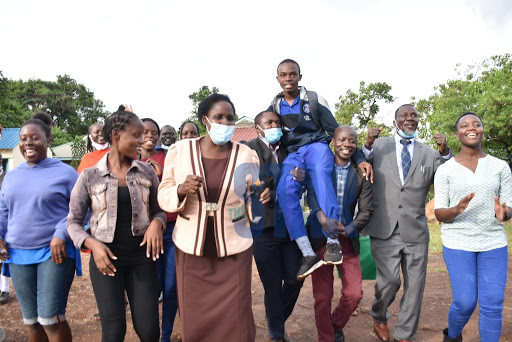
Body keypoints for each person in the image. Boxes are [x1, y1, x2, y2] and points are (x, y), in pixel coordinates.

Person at [158, 93, 268, 342]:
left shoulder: (246, 154)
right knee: (195, 321)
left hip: (234, 248)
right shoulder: (180, 151)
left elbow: (252, 196)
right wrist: (180, 190)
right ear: (205, 120)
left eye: (230, 118)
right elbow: (164, 192)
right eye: (219, 117)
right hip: (190, 248)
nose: (225, 123)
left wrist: (259, 199)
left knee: (237, 319)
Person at [67, 106, 166, 342]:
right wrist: (92, 244)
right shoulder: (89, 176)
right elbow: (73, 222)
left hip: (142, 259)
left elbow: (159, 210)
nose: (142, 141)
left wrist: (156, 224)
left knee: (149, 330)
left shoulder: (147, 173)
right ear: (117, 134)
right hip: (105, 262)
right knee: (113, 332)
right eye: (137, 135)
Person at [269, 59, 371, 279]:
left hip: (316, 146)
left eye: (293, 74)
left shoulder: (313, 100)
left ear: (299, 77)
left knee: (321, 179)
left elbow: (337, 131)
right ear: (278, 79)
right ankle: (307, 252)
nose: (288, 78)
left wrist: (360, 158)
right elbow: (270, 133)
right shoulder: (275, 105)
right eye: (284, 75)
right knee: (285, 191)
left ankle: (333, 242)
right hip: (294, 154)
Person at [362, 104, 451, 342]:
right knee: (389, 281)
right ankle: (379, 315)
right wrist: (368, 143)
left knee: (415, 288)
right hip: (385, 227)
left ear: (418, 122)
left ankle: (404, 334)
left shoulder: (430, 153)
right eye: (404, 116)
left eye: (414, 116)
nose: (409, 119)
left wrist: (444, 152)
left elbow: (446, 175)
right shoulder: (380, 146)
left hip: (416, 230)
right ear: (395, 122)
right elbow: (357, 161)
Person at [0, 113, 79, 342]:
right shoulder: (12, 176)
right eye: (24, 139)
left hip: (53, 251)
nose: (28, 143)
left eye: (34, 138)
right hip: (17, 252)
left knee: (50, 317)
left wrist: (61, 233)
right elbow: (4, 211)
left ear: (48, 141)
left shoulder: (66, 173)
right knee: (31, 320)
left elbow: (80, 210)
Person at [434, 112, 512, 342]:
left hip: (493, 242)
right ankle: (453, 337)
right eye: (465, 125)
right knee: (465, 302)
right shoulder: (445, 170)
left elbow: (508, 208)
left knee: (493, 304)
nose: (472, 128)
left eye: (476, 124)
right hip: (458, 241)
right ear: (457, 134)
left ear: (482, 131)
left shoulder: (500, 166)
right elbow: (439, 213)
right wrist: (456, 209)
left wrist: (504, 213)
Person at [307, 126, 373, 342]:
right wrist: (322, 219)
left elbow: (366, 210)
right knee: (323, 297)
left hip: (347, 240)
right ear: (333, 142)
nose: (347, 144)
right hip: (320, 239)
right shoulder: (320, 169)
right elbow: (313, 199)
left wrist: (351, 228)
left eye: (352, 141)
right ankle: (326, 338)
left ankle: (335, 325)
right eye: (342, 140)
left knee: (354, 294)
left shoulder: (362, 173)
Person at [245, 110, 304, 342]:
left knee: (295, 278)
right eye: (269, 122)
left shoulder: (290, 149)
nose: (274, 126)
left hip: (290, 227)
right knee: (271, 285)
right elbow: (249, 179)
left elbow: (301, 176)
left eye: (277, 123)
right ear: (258, 127)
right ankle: (277, 334)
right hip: (263, 228)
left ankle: (275, 321)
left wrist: (298, 178)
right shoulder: (247, 149)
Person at [140, 117, 178, 342]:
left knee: (171, 287)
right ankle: (152, 334)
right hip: (144, 233)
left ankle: (165, 336)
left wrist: (162, 175)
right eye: (145, 132)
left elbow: (178, 187)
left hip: (172, 229)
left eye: (154, 132)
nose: (151, 136)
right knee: (152, 289)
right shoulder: (129, 160)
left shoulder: (168, 157)